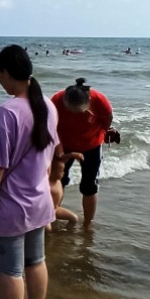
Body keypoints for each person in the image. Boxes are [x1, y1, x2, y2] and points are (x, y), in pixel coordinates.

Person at [0, 45, 59, 299]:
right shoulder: (47, 105)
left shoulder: (6, 112)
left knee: (11, 270)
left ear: (7, 73)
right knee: (36, 261)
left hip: (12, 206)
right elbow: (50, 153)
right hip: (40, 200)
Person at [51, 77, 113, 227]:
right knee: (58, 180)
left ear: (88, 102)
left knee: (89, 186)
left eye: (79, 111)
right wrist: (58, 148)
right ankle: (53, 214)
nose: (75, 114)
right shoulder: (56, 101)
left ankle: (88, 223)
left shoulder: (99, 99)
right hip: (64, 144)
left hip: (92, 144)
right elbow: (50, 127)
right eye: (71, 110)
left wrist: (103, 134)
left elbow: (107, 120)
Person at [46, 150, 84, 232]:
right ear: (51, 172)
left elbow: (61, 161)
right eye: (61, 171)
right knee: (47, 229)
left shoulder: (58, 180)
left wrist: (72, 155)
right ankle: (46, 242)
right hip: (44, 212)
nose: (63, 173)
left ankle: (64, 234)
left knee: (74, 219)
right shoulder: (47, 181)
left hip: (55, 209)